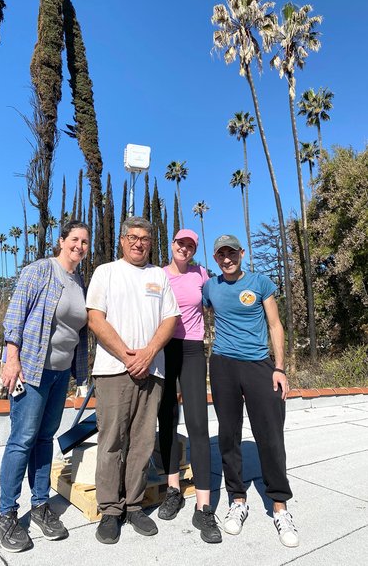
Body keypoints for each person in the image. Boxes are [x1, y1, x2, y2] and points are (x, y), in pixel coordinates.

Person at [0, 221, 90, 553]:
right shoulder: (40, 271)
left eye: (85, 241)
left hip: (60, 374)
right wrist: (11, 359)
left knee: (45, 438)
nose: (79, 245)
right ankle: (6, 514)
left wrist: (81, 373)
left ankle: (40, 505)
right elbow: (15, 316)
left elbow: (78, 332)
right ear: (61, 241)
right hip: (33, 370)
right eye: (74, 239)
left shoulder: (79, 283)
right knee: (22, 440)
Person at [86, 216, 180, 545]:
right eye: (133, 237)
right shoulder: (106, 272)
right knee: (111, 440)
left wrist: (148, 353)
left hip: (152, 371)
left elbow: (170, 319)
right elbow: (95, 319)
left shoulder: (158, 277)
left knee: (142, 443)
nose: (139, 242)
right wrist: (128, 356)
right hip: (114, 370)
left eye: (145, 238)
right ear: (122, 240)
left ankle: (134, 505)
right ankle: (111, 510)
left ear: (151, 243)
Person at [203, 234, 299, 548]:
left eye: (232, 253)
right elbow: (193, 315)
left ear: (241, 254)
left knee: (270, 435)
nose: (227, 259)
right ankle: (238, 500)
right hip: (222, 365)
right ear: (216, 259)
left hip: (259, 365)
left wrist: (279, 367)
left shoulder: (260, 283)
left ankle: (280, 506)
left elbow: (275, 325)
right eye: (221, 255)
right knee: (228, 435)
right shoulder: (211, 287)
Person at [157, 229, 221, 544]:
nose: (184, 248)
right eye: (180, 243)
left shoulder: (201, 274)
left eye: (190, 245)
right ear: (172, 245)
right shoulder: (158, 275)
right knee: (167, 420)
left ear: (194, 250)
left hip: (194, 350)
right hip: (165, 350)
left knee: (198, 423)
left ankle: (204, 507)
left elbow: (217, 303)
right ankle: (173, 491)